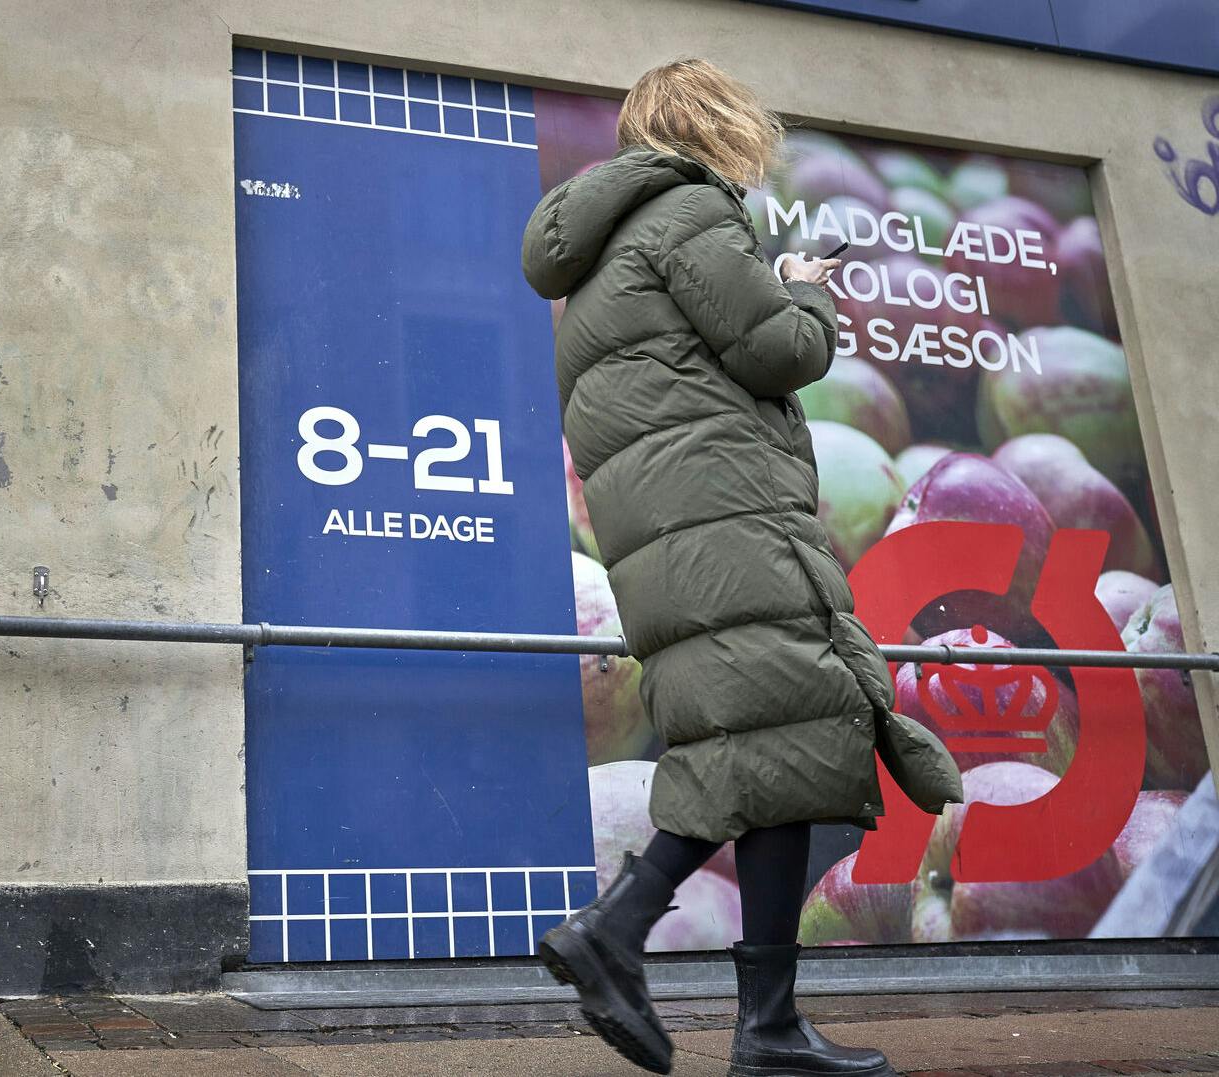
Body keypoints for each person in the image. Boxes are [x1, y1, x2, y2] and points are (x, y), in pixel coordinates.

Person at [521, 59, 920, 1077]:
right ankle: (624, 929)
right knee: (788, 729)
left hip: (672, 536)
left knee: (775, 745)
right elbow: (777, 352)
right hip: (728, 520)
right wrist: (803, 292)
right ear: (716, 126)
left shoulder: (601, 254)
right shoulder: (690, 213)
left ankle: (763, 1024)